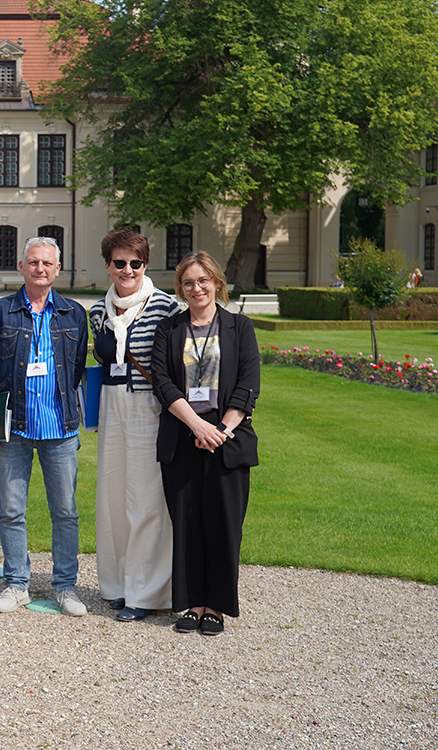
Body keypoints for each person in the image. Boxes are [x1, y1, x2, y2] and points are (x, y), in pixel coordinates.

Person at [0, 237, 89, 617]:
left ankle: (65, 586)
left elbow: (78, 372)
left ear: (57, 269)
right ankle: (17, 583)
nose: (40, 268)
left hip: (61, 428)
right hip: (13, 428)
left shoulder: (73, 313)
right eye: (33, 262)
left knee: (66, 512)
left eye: (47, 263)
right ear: (21, 267)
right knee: (11, 511)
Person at [151, 252, 261, 637]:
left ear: (217, 282)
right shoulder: (169, 330)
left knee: (223, 524)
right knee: (187, 523)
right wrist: (198, 426)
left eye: (203, 281)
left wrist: (222, 430)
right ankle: (191, 602)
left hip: (227, 440)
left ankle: (216, 606)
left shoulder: (239, 327)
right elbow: (162, 383)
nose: (196, 288)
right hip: (184, 435)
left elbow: (249, 384)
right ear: (179, 288)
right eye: (187, 283)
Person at [87, 230, 181, 623]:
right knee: (112, 497)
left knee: (146, 499)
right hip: (111, 404)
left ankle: (146, 591)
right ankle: (118, 584)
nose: (127, 270)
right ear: (108, 265)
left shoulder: (165, 308)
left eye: (135, 263)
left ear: (145, 264)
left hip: (149, 407)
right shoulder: (97, 312)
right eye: (119, 262)